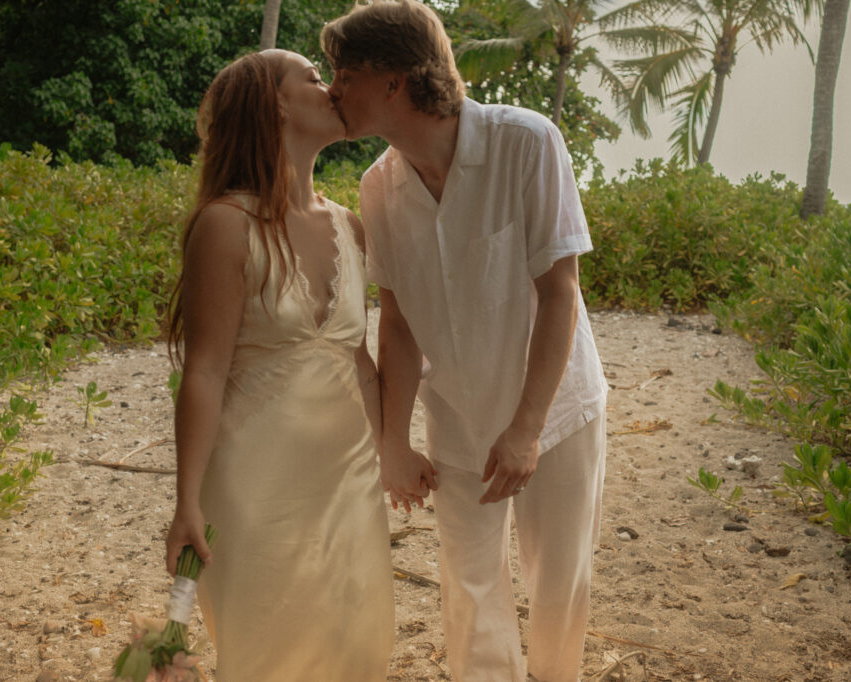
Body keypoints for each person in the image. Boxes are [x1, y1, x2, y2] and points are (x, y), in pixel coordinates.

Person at [321, 2, 609, 681]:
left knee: (557, 584)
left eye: (344, 73)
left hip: (558, 413)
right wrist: (392, 441)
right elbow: (397, 321)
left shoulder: (527, 141)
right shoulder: (377, 188)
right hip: (455, 418)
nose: (332, 90)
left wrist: (527, 428)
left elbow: (560, 291)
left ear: (394, 80)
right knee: (470, 591)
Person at [164, 49, 393, 681]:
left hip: (348, 482)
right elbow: (204, 372)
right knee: (267, 655)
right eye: (315, 80)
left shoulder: (351, 225)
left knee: (357, 646)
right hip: (252, 487)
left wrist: (391, 452)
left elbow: (360, 363)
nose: (333, 89)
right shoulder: (225, 224)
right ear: (277, 103)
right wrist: (186, 503)